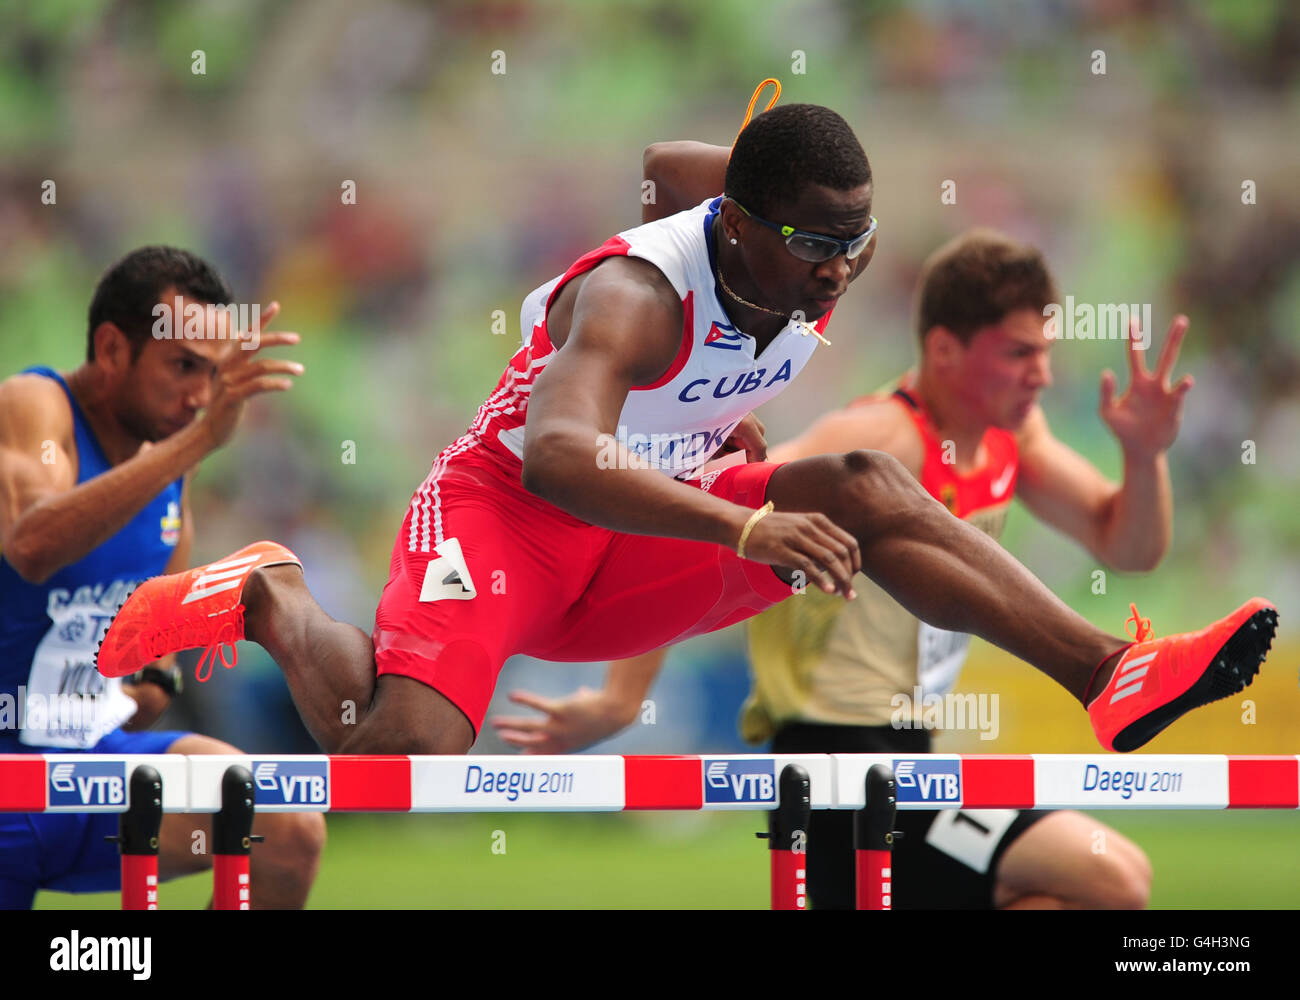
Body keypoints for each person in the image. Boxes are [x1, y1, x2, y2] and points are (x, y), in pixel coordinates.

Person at [95, 105, 1276, 764]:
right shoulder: (629, 301)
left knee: (861, 478)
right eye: (815, 245)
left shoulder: (815, 242)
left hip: (643, 531)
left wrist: (727, 438)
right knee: (404, 754)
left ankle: (1108, 676)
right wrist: (744, 517)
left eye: (855, 245)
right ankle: (269, 595)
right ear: (743, 227)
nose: (837, 273)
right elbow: (561, 455)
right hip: (507, 516)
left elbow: (669, 162)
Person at [494, 216, 1169, 908]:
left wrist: (1144, 457)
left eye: (1045, 351)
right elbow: (709, 525)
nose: (1043, 374)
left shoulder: (1012, 438)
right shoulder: (873, 440)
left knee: (1062, 900)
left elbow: (1129, 546)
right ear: (945, 350)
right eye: (1019, 353)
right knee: (1112, 878)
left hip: (911, 757)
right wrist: (622, 697)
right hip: (832, 763)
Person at [0, 246, 324, 909]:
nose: (201, 397)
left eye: (213, 375)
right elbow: (32, 544)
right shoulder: (34, 406)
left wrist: (154, 678)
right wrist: (200, 439)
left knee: (287, 826)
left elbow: (159, 627)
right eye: (182, 367)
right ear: (113, 348)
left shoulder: (170, 462)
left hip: (91, 766)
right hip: (6, 774)